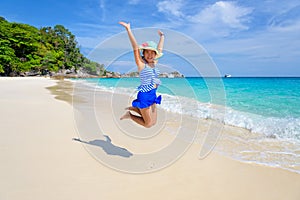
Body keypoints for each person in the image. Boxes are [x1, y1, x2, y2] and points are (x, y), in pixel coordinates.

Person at [119, 21, 165, 128]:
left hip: (153, 94)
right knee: (148, 124)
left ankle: (136, 109)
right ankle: (130, 115)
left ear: (155, 54)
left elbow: (160, 49)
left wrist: (162, 37)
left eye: (152, 52)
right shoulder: (141, 64)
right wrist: (128, 29)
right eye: (147, 52)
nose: (150, 55)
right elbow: (135, 47)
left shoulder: (154, 62)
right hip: (144, 96)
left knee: (154, 122)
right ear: (143, 53)